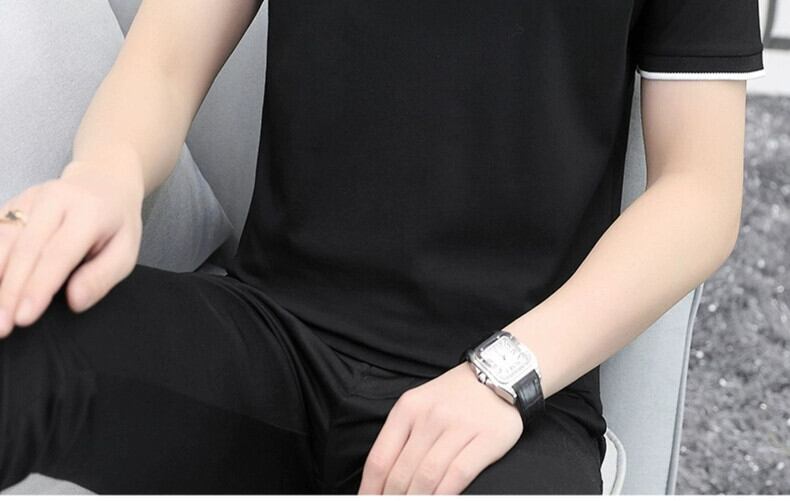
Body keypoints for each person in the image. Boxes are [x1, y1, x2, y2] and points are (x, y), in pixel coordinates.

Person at [0, 0, 764, 494]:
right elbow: (165, 59)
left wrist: (502, 377)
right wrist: (105, 175)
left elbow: (698, 193)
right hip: (269, 340)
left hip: (507, 406)